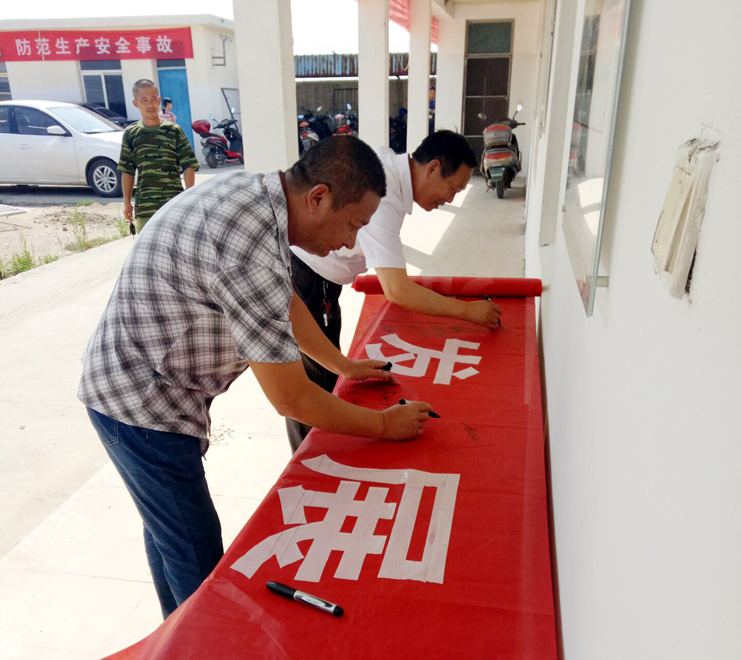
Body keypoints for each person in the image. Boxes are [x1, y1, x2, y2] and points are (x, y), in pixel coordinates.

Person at [78, 136, 432, 619]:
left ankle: (173, 637)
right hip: (138, 402)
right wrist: (385, 426)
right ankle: (195, 642)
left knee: (170, 533)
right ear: (319, 197)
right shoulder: (248, 248)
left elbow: (285, 301)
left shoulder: (260, 201)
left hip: (142, 382)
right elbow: (292, 399)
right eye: (352, 225)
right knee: (194, 550)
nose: (350, 244)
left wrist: (342, 365)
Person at [287, 130, 502, 451]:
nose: (450, 200)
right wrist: (468, 311)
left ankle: (324, 445)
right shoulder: (384, 196)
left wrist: (345, 366)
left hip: (321, 284)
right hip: (307, 279)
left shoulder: (387, 168)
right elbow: (397, 290)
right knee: (313, 385)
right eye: (453, 188)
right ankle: (311, 460)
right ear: (432, 168)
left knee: (329, 373)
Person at [119, 80, 198, 233]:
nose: (150, 105)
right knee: (146, 248)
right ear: (135, 103)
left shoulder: (174, 131)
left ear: (159, 100)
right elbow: (127, 170)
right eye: (144, 100)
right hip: (146, 209)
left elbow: (188, 164)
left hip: (174, 206)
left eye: (153, 99)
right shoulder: (131, 133)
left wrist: (190, 197)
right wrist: (126, 202)